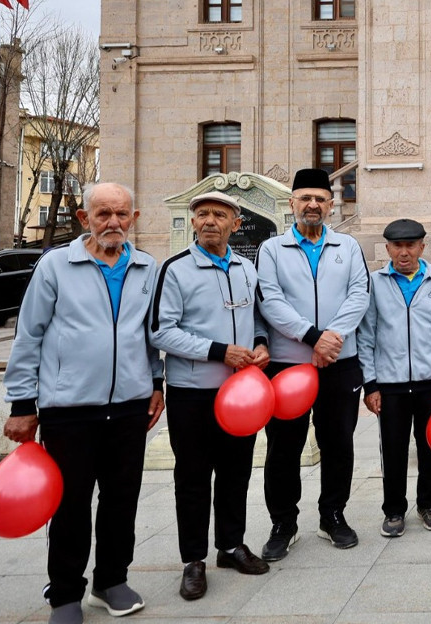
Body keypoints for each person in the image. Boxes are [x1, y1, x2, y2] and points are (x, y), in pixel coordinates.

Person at [2, 182, 164, 624]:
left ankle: (110, 580)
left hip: (130, 406)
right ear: (84, 219)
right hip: (70, 408)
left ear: (134, 218)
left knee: (121, 499)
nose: (113, 222)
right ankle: (66, 593)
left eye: (122, 214)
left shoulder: (147, 268)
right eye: (104, 214)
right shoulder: (56, 265)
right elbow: (29, 335)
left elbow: (148, 336)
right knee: (71, 503)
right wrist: (22, 403)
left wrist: (155, 382)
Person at [149, 191, 271, 601]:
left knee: (237, 472)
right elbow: (160, 331)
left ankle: (231, 546)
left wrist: (259, 342)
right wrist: (219, 351)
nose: (210, 221)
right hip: (193, 392)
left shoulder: (245, 268)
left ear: (236, 224)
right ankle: (193, 560)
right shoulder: (176, 269)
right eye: (202, 214)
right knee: (194, 478)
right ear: (194, 221)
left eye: (220, 215)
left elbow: (256, 315)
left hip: (241, 395)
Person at [255, 168, 371, 560]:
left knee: (338, 443)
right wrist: (311, 338)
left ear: (331, 204)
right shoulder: (271, 250)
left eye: (320, 199)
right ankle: (283, 522)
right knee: (283, 447)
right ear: (292, 204)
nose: (313, 205)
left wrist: (331, 337)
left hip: (340, 362)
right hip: (289, 366)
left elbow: (359, 294)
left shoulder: (348, 247)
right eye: (305, 198)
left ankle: (333, 515)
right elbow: (270, 302)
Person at [359, 219, 431, 537]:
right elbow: (367, 335)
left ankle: (429, 505)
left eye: (410, 245)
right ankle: (393, 511)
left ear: (422, 246)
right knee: (392, 449)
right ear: (387, 248)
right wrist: (370, 384)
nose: (404, 252)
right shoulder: (375, 283)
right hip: (390, 385)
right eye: (397, 246)